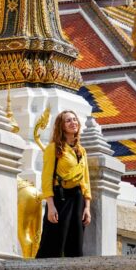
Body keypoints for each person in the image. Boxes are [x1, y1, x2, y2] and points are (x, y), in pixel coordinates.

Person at [36, 110, 91, 258]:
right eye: (68, 120)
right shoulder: (53, 148)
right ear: (61, 126)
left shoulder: (81, 151)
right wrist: (50, 206)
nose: (73, 123)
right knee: (53, 241)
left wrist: (87, 207)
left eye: (75, 119)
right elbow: (46, 178)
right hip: (60, 197)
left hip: (77, 197)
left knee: (75, 243)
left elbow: (85, 180)